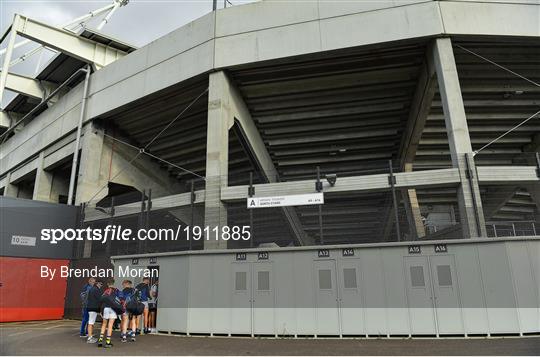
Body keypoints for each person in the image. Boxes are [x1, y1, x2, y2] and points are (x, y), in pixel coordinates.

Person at [98, 278, 123, 348]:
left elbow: (101, 301)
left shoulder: (105, 291)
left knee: (104, 324)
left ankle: (100, 340)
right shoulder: (116, 291)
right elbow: (120, 300)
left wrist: (100, 311)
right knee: (110, 325)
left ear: (107, 284)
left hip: (105, 308)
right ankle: (108, 342)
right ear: (113, 283)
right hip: (113, 309)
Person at [85, 280, 103, 344]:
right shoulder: (96, 290)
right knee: (91, 322)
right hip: (93, 308)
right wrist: (100, 310)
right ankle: (89, 338)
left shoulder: (92, 289)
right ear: (97, 283)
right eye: (101, 284)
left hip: (90, 307)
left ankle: (90, 336)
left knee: (91, 322)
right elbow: (99, 300)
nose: (101, 285)